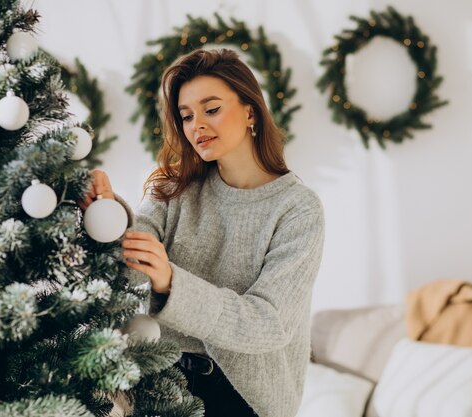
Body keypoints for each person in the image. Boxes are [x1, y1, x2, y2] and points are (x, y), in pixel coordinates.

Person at [80, 48, 325, 417]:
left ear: (249, 111)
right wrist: (107, 214)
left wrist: (171, 283)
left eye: (211, 110)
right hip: (163, 382)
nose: (197, 126)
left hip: (244, 400)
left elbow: (268, 325)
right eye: (187, 116)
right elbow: (131, 266)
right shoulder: (174, 188)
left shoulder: (297, 209)